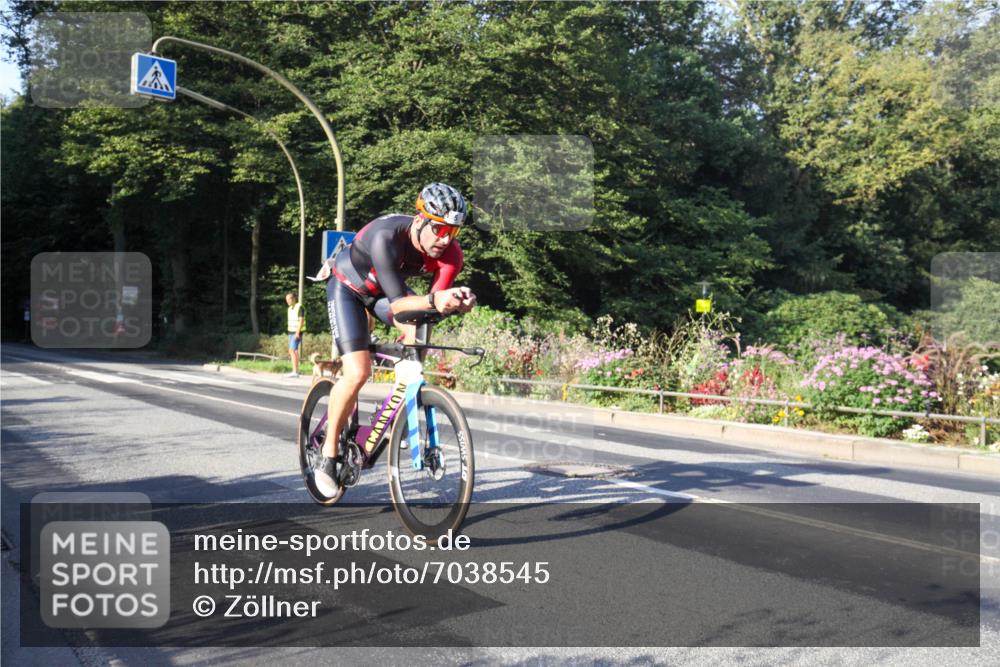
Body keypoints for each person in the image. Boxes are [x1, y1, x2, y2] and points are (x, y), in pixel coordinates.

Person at [312, 182, 477, 498]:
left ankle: (405, 403)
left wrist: (456, 301)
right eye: (439, 229)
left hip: (382, 295)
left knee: (420, 332)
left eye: (452, 232)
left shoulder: (452, 256)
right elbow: (402, 302)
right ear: (419, 221)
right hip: (348, 289)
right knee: (358, 372)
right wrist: (435, 300)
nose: (444, 239)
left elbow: (431, 304)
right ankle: (328, 456)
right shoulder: (386, 236)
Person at [285, 292, 305, 377]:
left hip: (297, 332)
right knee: (294, 351)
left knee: (292, 350)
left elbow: (301, 320)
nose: (287, 301)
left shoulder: (299, 307)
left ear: (293, 299)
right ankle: (296, 371)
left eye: (288, 299)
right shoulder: (289, 308)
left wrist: (297, 332)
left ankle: (295, 372)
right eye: (286, 300)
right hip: (290, 332)